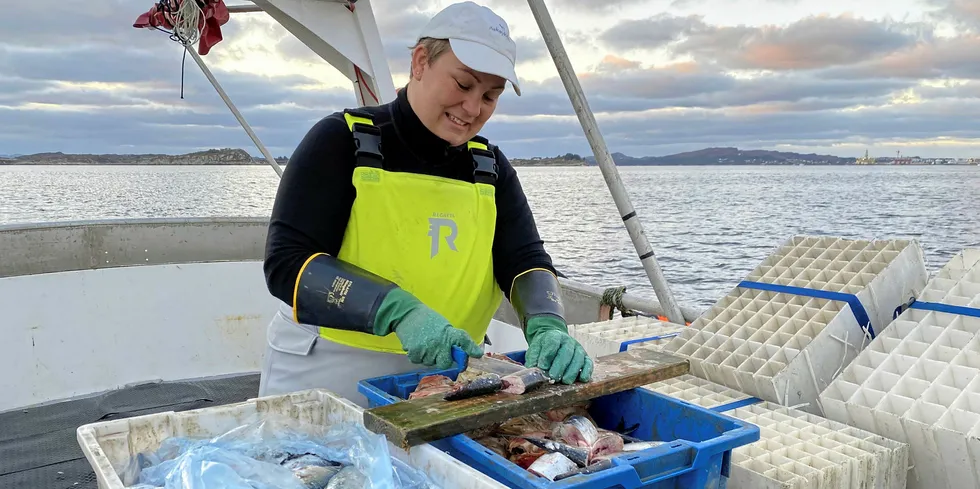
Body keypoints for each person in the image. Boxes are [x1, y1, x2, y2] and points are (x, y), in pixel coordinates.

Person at [258, 1, 593, 407]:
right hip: (326, 370)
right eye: (463, 84)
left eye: (491, 95)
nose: (473, 109)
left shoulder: (490, 168)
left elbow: (524, 257)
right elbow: (287, 263)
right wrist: (397, 311)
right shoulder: (341, 139)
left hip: (444, 376)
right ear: (420, 62)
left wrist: (547, 324)